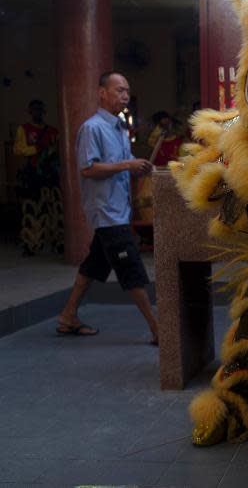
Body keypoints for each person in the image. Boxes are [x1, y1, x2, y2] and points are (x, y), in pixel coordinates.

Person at [56, 71, 159, 344]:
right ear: (102, 93)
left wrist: (139, 168)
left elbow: (122, 166)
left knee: (93, 266)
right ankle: (157, 328)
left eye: (127, 91)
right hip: (106, 212)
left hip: (117, 210)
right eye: (119, 90)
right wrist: (127, 165)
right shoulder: (92, 128)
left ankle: (68, 316)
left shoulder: (120, 128)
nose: (125, 95)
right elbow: (88, 169)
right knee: (132, 270)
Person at [13, 99, 63, 255]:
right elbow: (18, 149)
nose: (37, 112)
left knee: (56, 211)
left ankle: (59, 242)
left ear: (44, 111)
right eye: (34, 109)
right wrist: (36, 148)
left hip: (52, 174)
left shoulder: (53, 131)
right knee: (32, 211)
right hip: (33, 174)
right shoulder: (24, 129)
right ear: (30, 111)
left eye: (40, 109)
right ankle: (31, 244)